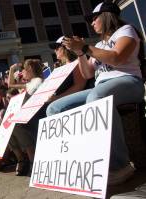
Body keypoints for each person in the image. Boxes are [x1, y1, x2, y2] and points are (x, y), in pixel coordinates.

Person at [46, 1, 145, 185]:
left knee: (97, 98)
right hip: (100, 86)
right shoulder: (99, 44)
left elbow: (117, 57)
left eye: (94, 18)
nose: (91, 23)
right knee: (54, 108)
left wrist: (85, 48)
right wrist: (80, 53)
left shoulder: (126, 31)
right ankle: (75, 163)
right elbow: (88, 73)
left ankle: (121, 165)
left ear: (106, 16)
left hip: (129, 82)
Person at [7, 59, 44, 176]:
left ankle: (32, 160)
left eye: (24, 69)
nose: (22, 72)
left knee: (19, 126)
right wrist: (12, 70)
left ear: (30, 70)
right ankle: (23, 160)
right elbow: (10, 85)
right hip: (29, 114)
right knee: (10, 128)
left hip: (36, 114)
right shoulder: (30, 83)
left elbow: (32, 99)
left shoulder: (38, 81)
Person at [48, 36, 87, 101]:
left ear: (65, 47)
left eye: (57, 48)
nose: (55, 51)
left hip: (74, 98)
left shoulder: (76, 63)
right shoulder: (61, 67)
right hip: (61, 98)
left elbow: (79, 85)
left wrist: (57, 98)